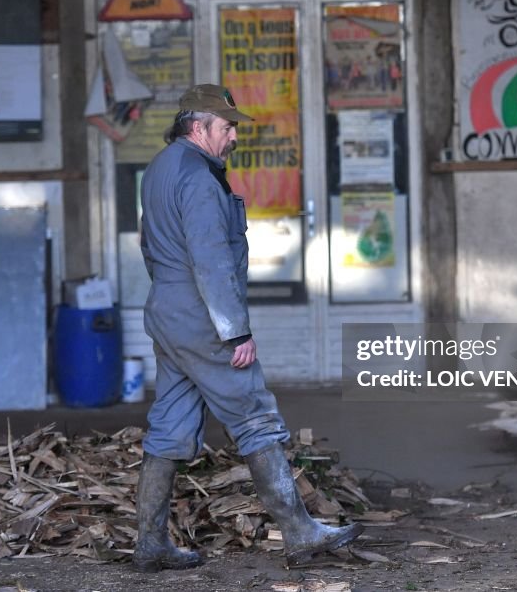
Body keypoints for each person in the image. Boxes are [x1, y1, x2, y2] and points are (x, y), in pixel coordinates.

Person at [132, 84, 363, 572]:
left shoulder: (159, 168)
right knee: (255, 417)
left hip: (168, 313)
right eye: (227, 126)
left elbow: (150, 245)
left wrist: (174, 305)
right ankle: (300, 532)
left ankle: (150, 543)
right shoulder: (197, 177)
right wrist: (234, 331)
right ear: (199, 127)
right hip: (202, 318)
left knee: (169, 427)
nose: (234, 134)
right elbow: (212, 260)